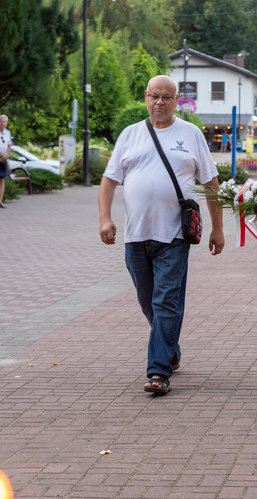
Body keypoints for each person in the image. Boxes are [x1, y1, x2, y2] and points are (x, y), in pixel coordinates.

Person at [99, 75, 225, 395]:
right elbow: (109, 180)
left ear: (176, 100)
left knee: (165, 301)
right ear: (145, 97)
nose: (160, 103)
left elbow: (211, 184)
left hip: (175, 235)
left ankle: (158, 371)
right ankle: (171, 350)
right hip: (135, 235)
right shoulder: (130, 135)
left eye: (167, 98)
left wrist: (218, 229)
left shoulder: (191, 134)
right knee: (148, 302)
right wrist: (105, 219)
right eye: (155, 96)